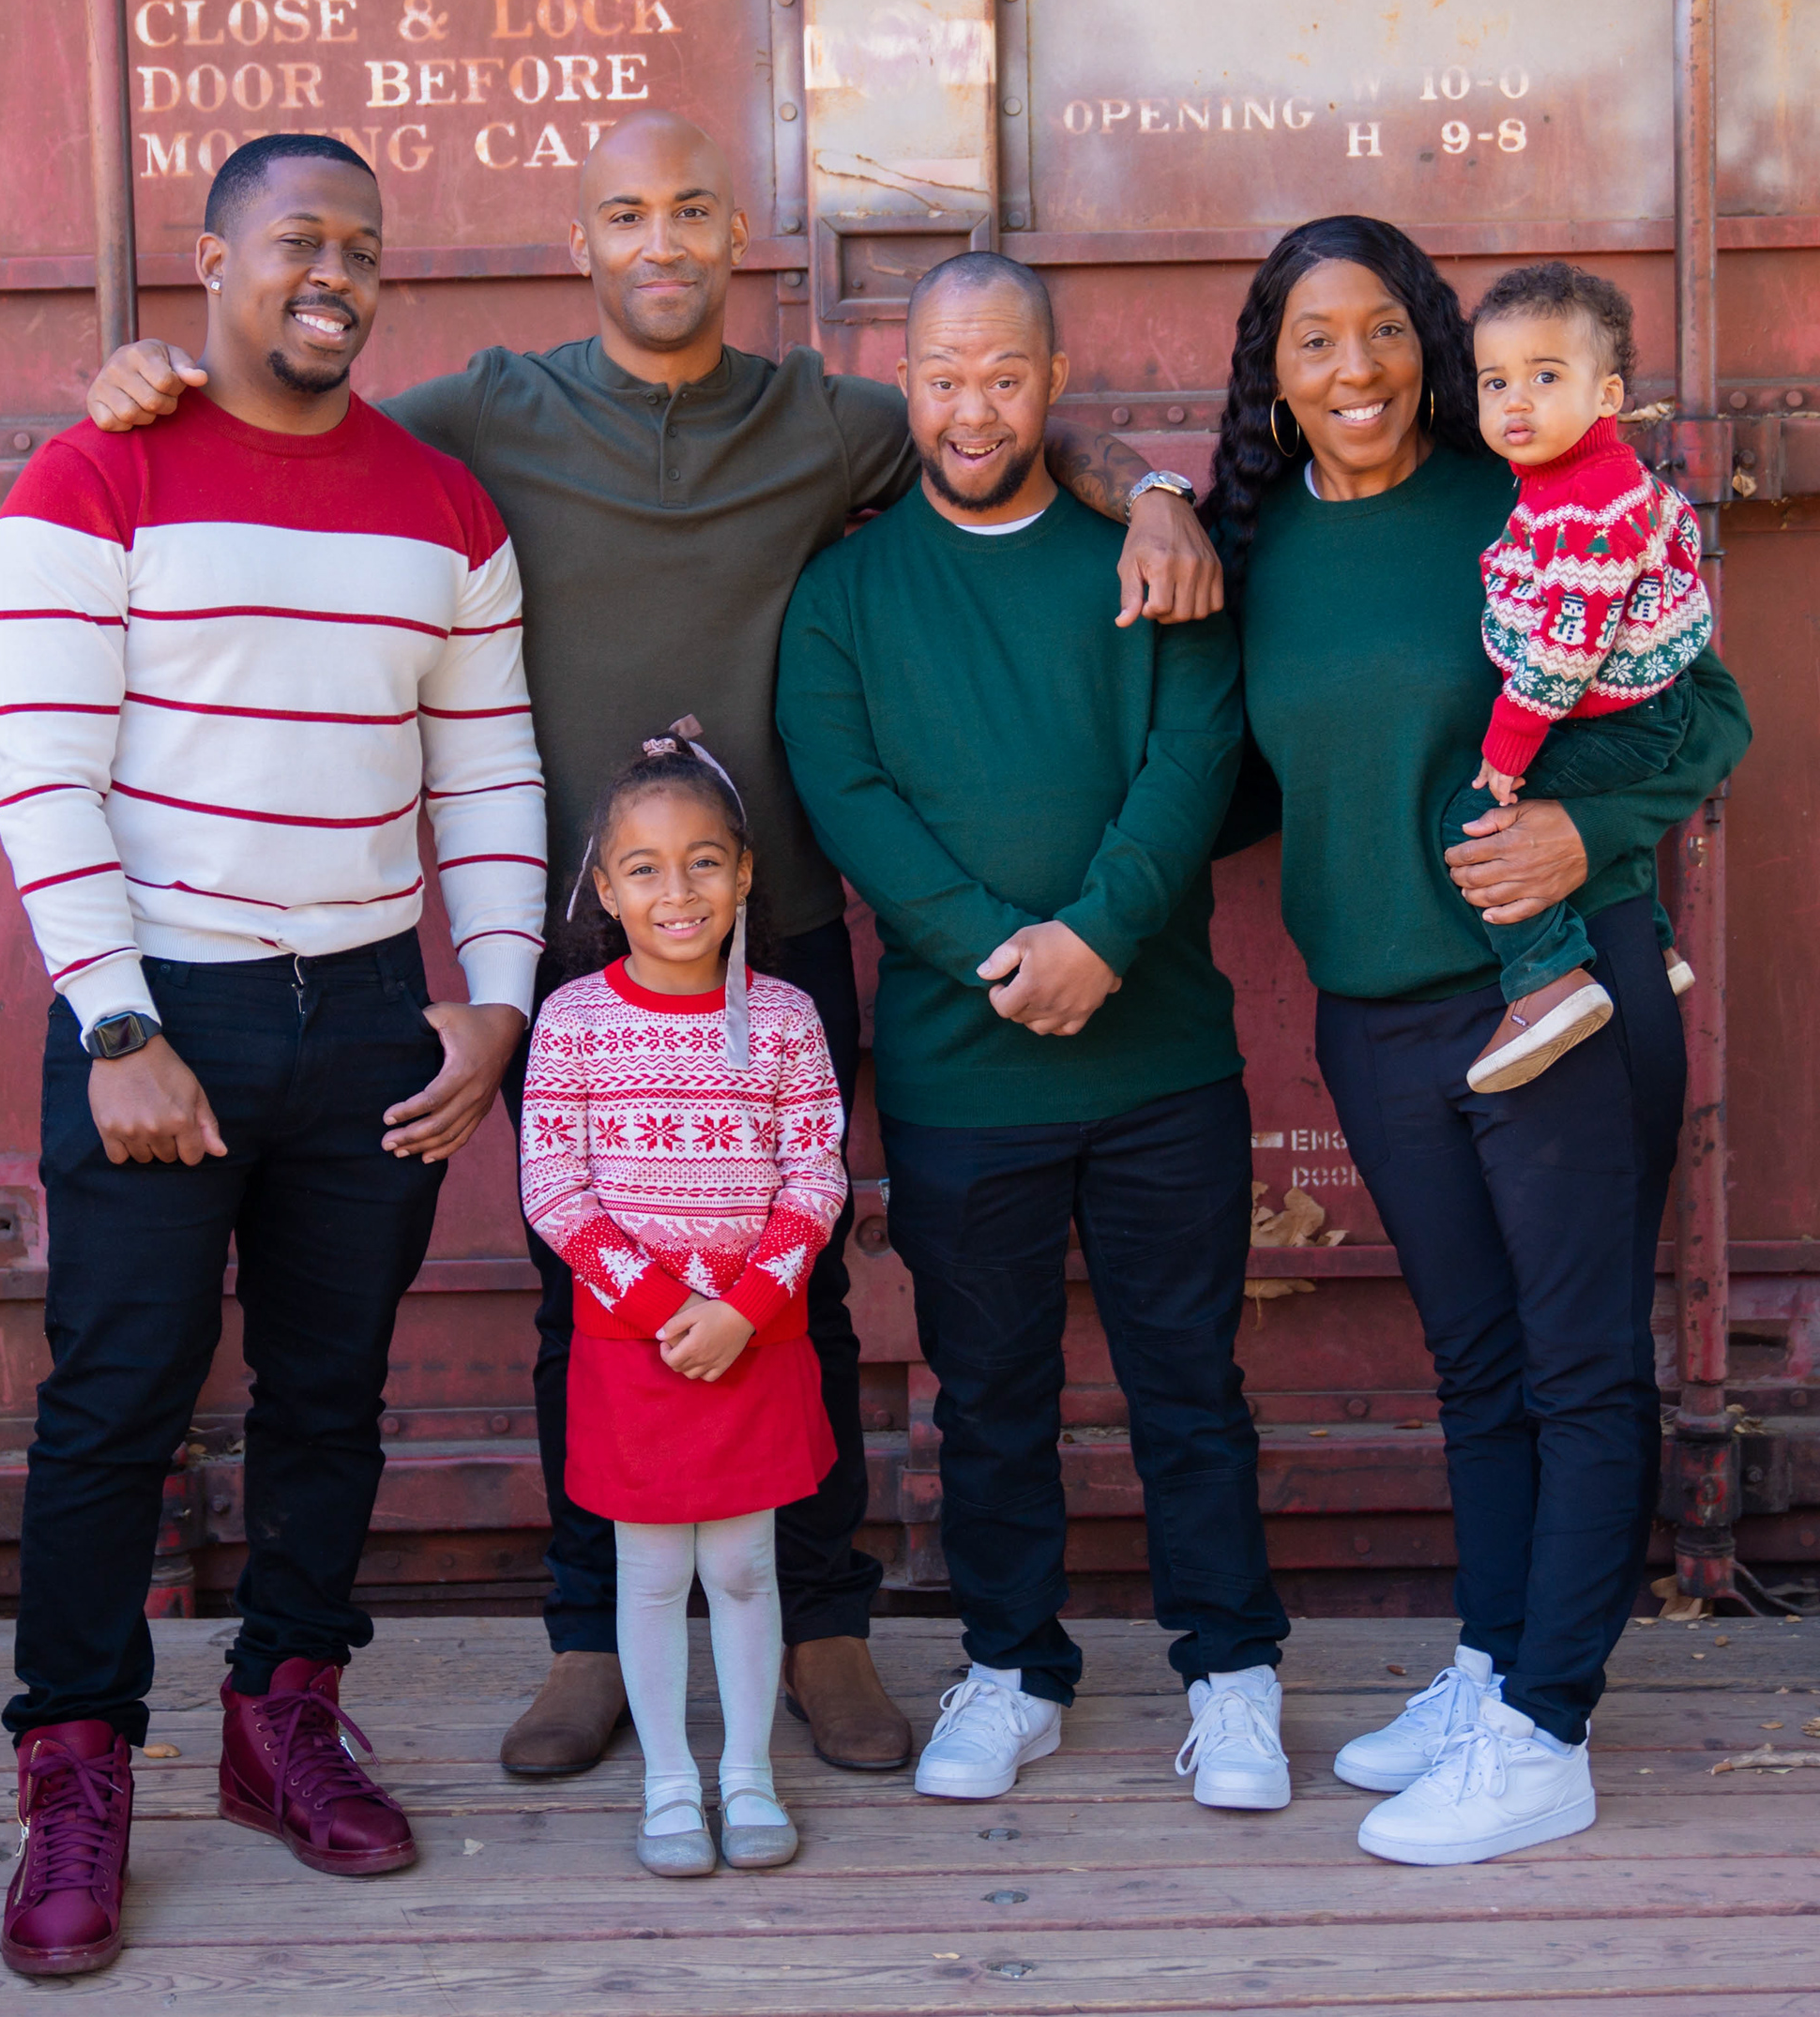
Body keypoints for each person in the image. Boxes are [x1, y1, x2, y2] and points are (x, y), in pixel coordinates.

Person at [77, 110, 1225, 1781]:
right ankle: (590, 1638)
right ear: (584, 243)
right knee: (589, 1293)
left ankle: (821, 1625)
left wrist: (1160, 490)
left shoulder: (825, 419)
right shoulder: (493, 410)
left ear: (739, 236)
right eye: (628, 214)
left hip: (785, 935)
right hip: (579, 948)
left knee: (797, 1280)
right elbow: (303, 422)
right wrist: (156, 384)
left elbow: (1010, 424)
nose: (663, 241)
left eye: (693, 210)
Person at [0, 133, 542, 1976]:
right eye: (300, 240)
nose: (336, 275)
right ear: (211, 259)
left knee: (329, 1394)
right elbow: (42, 771)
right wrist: (117, 1020)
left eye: (363, 249)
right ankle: (74, 1769)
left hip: (371, 1011)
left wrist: (497, 1000)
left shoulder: (443, 506)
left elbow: (490, 772)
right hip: (164, 1012)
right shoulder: (93, 475)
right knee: (115, 1401)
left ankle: (283, 1714)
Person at [1201, 216, 1750, 1868]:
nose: (1354, 367)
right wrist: (1144, 491)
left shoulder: (1524, 496)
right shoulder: (1253, 544)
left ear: (1432, 343)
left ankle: (1548, 1732)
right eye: (1314, 339)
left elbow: (1710, 714)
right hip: (1374, 1009)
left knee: (1579, 1365)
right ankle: (1498, 1662)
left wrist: (1588, 832)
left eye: (1384, 328)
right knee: (1479, 1366)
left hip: (1558, 989)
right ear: (1272, 371)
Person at [774, 251, 1291, 1815]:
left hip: (1162, 1065)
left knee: (1187, 1386)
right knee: (987, 1397)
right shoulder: (845, 595)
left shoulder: (1152, 564)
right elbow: (850, 798)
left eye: (1004, 376)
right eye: (943, 378)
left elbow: (1193, 758)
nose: (973, 408)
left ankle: (1233, 1676)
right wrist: (1004, 955)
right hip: (962, 1075)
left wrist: (1101, 939)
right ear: (904, 389)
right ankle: (1013, 1670)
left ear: (1054, 382)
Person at [518, 731, 850, 1876]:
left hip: (756, 1338)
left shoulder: (787, 1019)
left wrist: (744, 1307)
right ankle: (670, 1783)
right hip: (636, 1347)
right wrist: (670, 1309)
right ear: (605, 888)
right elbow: (554, 1187)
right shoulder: (573, 1022)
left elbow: (816, 1177)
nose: (678, 890)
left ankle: (747, 1774)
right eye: (645, 867)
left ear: (745, 873)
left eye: (704, 861)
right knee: (653, 1573)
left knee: (747, 1566)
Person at [1448, 261, 1714, 1092]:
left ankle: (1548, 982)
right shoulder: (1581, 479)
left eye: (1545, 377)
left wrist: (1512, 735)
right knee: (1565, 804)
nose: (1515, 402)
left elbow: (1572, 638)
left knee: (1478, 818)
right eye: (1495, 381)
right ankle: (1656, 948)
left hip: (1619, 716)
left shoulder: (1588, 500)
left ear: (1608, 396)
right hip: (1641, 703)